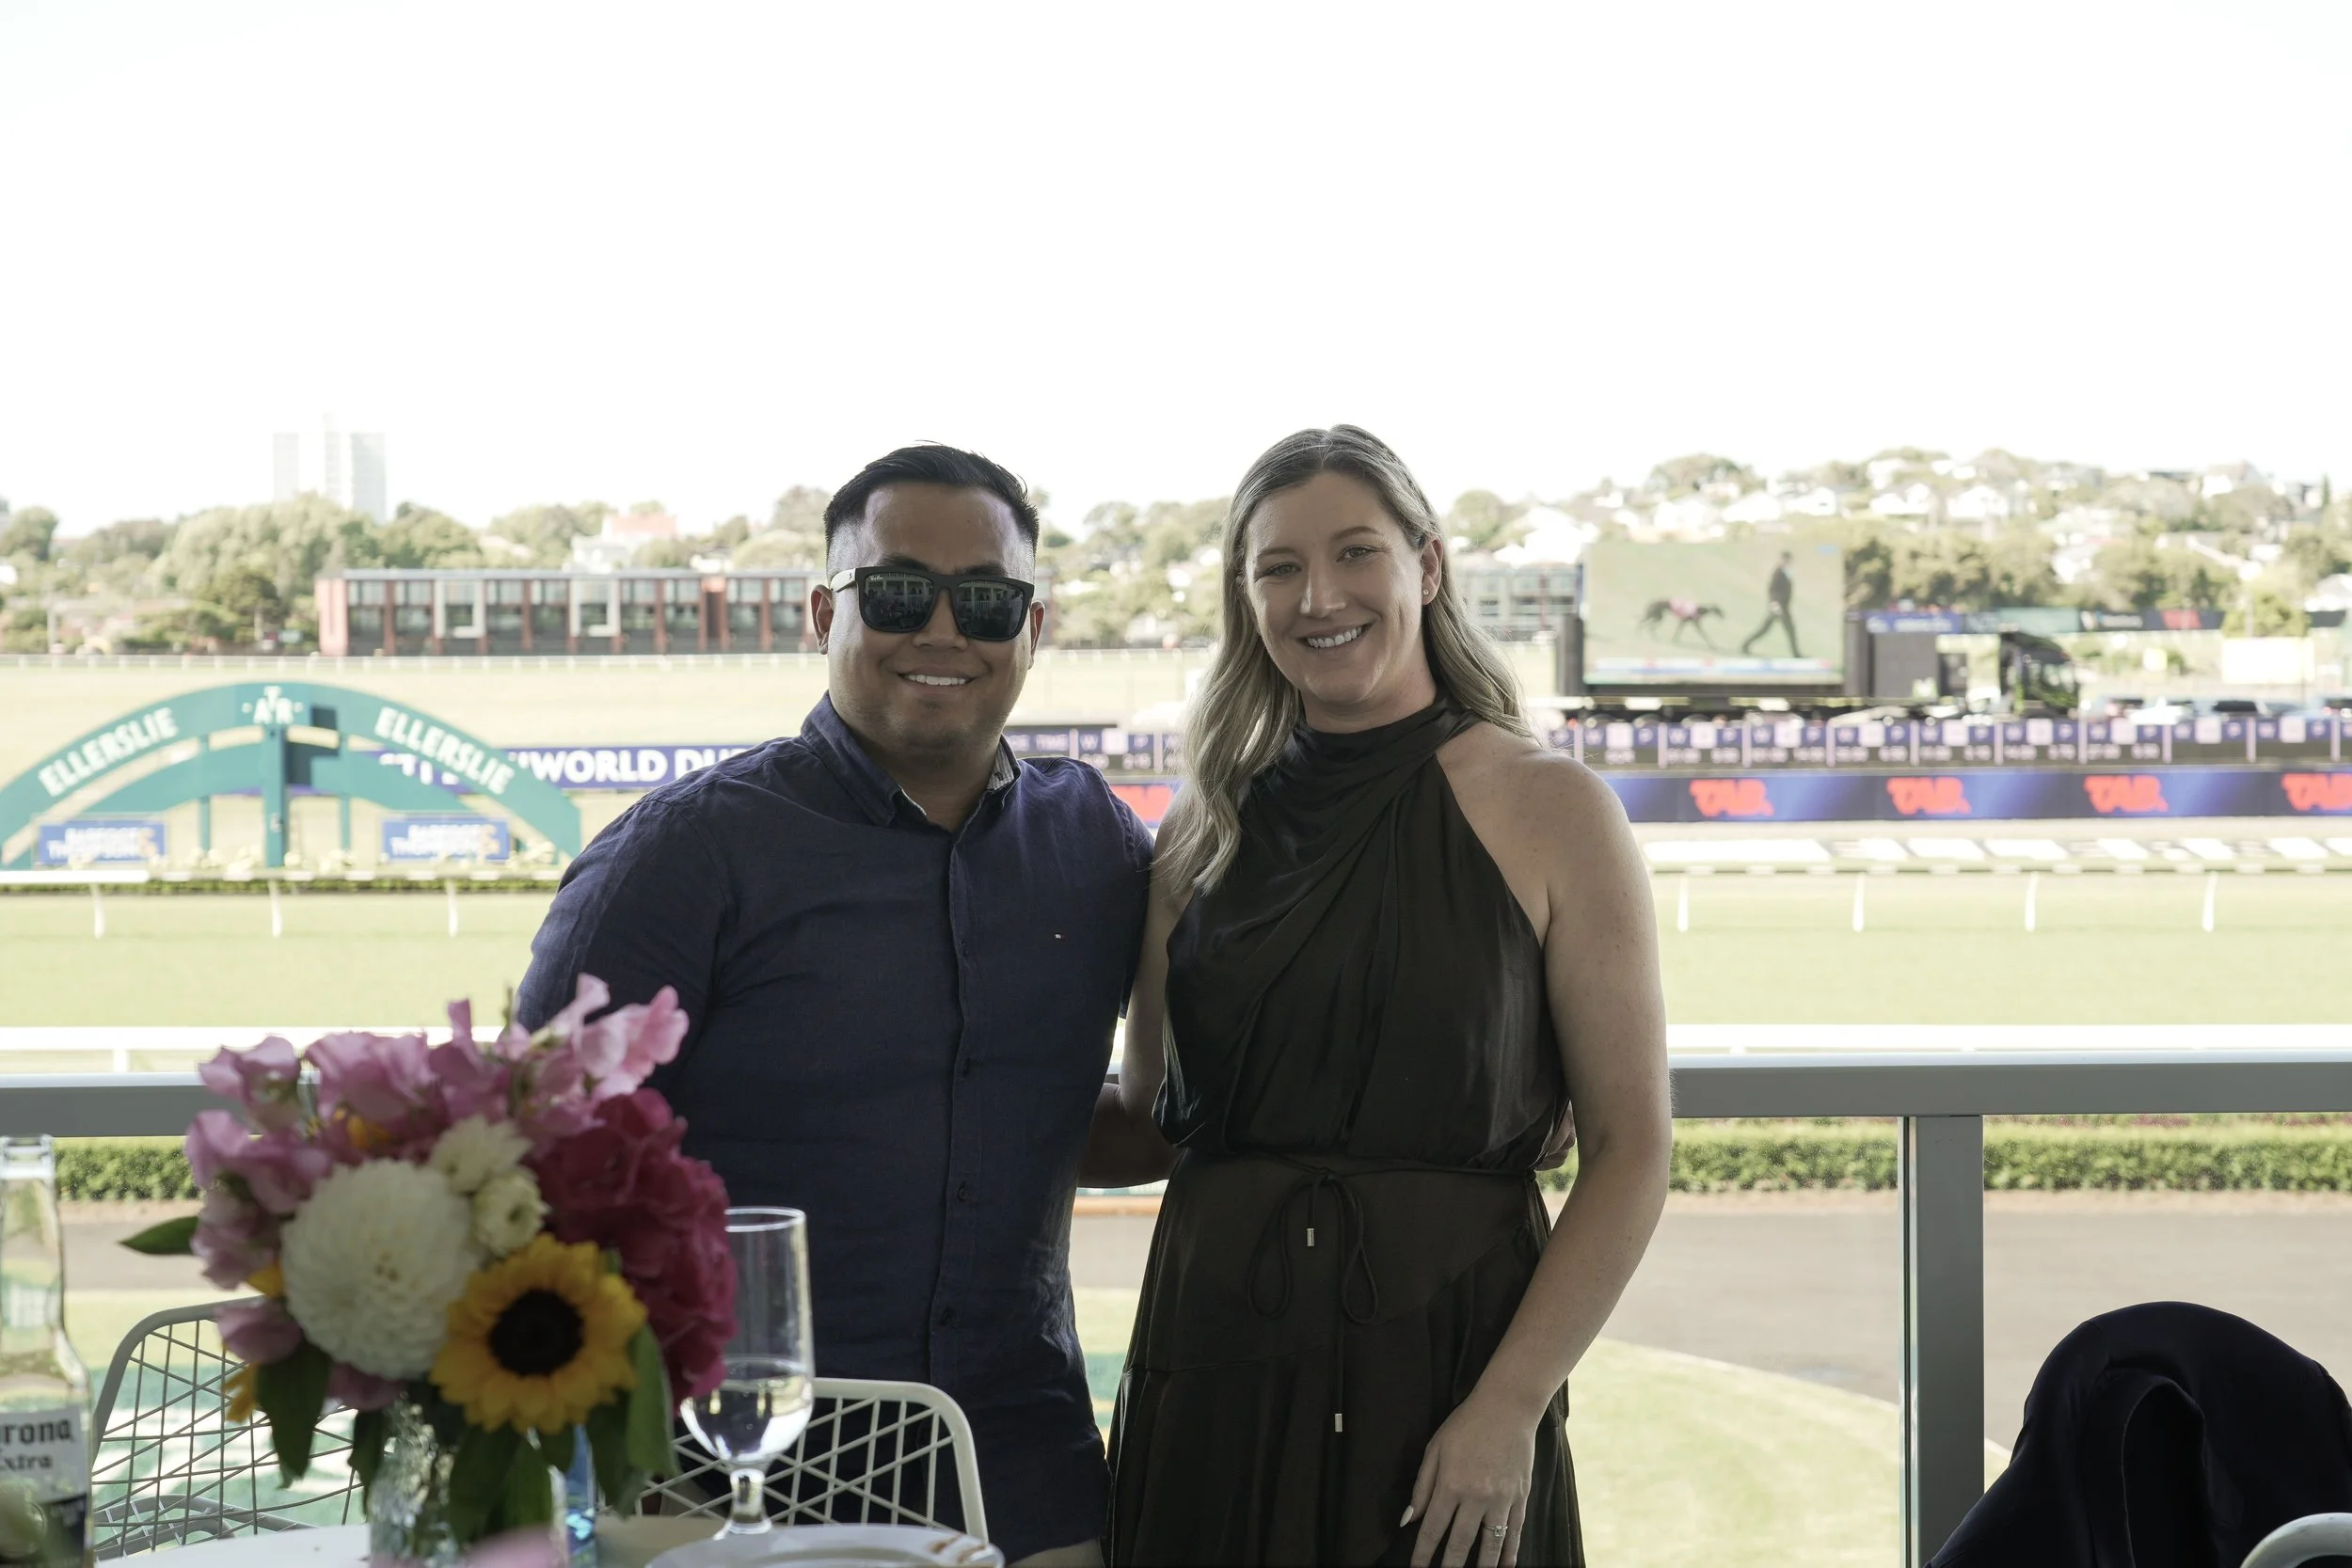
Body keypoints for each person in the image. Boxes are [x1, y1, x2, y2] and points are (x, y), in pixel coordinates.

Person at [515, 444, 1152, 1567]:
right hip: (724, 1467)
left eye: (988, 599)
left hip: (1018, 1461)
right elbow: (537, 1160)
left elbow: (1089, 1107)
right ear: (824, 612)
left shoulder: (1090, 838)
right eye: (900, 592)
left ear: (1035, 627)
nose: (944, 630)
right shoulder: (686, 854)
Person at [1104, 426, 1672, 1567]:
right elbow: (1152, 1117)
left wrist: (1509, 1404)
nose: (1319, 595)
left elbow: (1630, 1149)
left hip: (1451, 1379)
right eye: (1278, 566)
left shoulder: (1553, 807)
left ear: (1427, 564)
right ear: (1245, 592)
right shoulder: (1200, 829)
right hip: (1207, 1367)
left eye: (1355, 552)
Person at [1739, 549, 1800, 657]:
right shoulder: (1778, 572)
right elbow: (1772, 590)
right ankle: (1796, 654)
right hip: (1778, 607)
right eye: (1787, 560)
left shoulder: (1786, 572)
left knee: (1767, 629)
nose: (1788, 562)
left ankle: (1745, 645)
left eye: (1789, 560)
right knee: (1787, 630)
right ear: (1783, 560)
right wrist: (1775, 604)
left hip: (1783, 607)